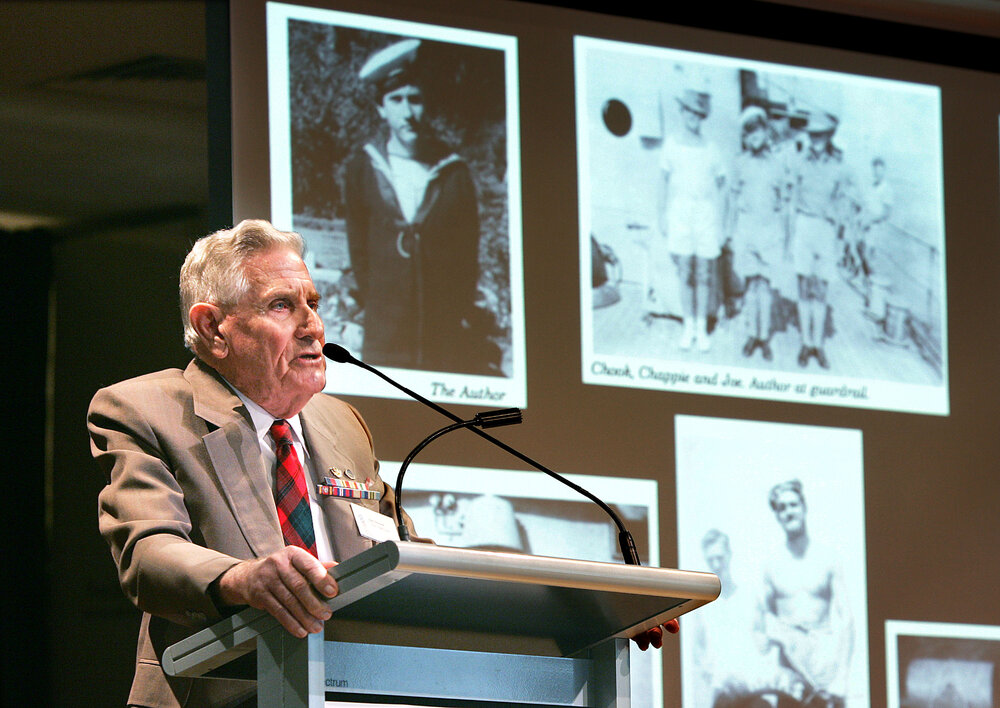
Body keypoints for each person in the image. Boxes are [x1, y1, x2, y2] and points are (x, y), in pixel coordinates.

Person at [89, 219, 416, 707]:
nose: (313, 327)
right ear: (212, 327)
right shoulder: (143, 409)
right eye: (282, 305)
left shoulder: (343, 423)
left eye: (313, 303)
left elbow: (399, 545)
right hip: (218, 692)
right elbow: (148, 553)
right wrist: (242, 579)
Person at [343, 39, 485, 374]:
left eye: (416, 100)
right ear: (382, 108)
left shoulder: (454, 171)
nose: (408, 111)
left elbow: (468, 252)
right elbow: (358, 246)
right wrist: (377, 303)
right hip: (385, 330)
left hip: (441, 332)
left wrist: (456, 310)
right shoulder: (364, 167)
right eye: (397, 99)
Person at [758, 480, 853, 708]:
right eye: (781, 508)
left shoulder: (828, 558)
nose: (789, 512)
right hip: (792, 676)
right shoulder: (771, 565)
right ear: (777, 516)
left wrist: (841, 677)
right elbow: (763, 621)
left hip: (825, 670)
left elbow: (847, 619)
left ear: (804, 507)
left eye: (793, 505)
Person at [657, 88, 727, 352]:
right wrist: (661, 215)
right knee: (685, 272)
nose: (693, 116)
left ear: (703, 116)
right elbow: (662, 183)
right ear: (682, 112)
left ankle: (701, 328)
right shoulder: (671, 145)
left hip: (705, 214)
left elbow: (723, 186)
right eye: (689, 111)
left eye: (699, 113)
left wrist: (721, 222)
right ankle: (688, 328)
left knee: (704, 274)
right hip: (680, 213)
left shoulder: (711, 148)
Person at [788, 112, 852, 369]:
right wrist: (790, 234)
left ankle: (818, 344)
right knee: (804, 285)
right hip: (804, 224)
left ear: (829, 136)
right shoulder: (799, 162)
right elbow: (792, 199)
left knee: (822, 287)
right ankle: (806, 342)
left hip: (826, 229)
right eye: (812, 134)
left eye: (821, 134)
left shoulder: (839, 166)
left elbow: (844, 201)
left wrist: (841, 233)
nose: (816, 139)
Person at [727, 106, 791, 361]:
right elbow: (732, 201)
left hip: (769, 232)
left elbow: (784, 204)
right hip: (746, 230)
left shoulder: (778, 166)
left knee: (765, 286)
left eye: (758, 131)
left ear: (766, 132)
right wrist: (730, 232)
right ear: (744, 137)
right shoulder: (739, 164)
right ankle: (751, 334)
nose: (754, 137)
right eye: (748, 133)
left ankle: (764, 337)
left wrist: (786, 238)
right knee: (750, 287)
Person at [690, 529, 774, 708]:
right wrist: (716, 678)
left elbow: (765, 646)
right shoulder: (703, 607)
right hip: (723, 696)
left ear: (729, 555)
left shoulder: (750, 598)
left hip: (754, 693)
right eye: (711, 560)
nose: (716, 564)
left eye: (719, 557)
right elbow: (698, 652)